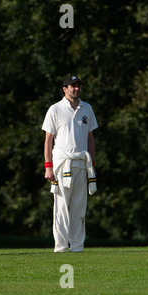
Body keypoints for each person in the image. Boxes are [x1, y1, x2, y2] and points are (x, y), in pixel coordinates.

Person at [42, 75, 98, 252]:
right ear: (64, 88)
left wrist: (93, 165)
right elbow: (48, 140)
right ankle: (60, 247)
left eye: (78, 86)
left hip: (82, 162)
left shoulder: (86, 108)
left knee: (79, 207)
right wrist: (48, 167)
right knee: (61, 207)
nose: (76, 89)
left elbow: (90, 138)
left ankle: (77, 247)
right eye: (73, 86)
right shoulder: (55, 109)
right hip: (61, 163)